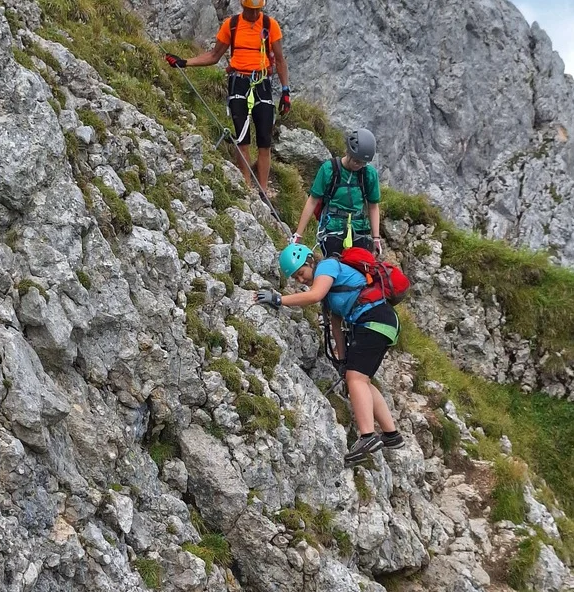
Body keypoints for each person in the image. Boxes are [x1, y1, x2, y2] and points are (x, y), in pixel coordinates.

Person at [255, 244, 404, 465]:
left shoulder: (327, 266)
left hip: (374, 321)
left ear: (309, 261)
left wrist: (278, 300)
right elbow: (335, 325)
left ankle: (367, 436)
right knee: (360, 379)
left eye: (301, 273)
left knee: (356, 379)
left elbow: (314, 295)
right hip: (378, 323)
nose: (300, 280)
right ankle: (391, 435)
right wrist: (343, 360)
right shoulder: (330, 287)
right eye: (295, 278)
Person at [164, 0, 291, 196]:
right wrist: (184, 62)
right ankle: (247, 187)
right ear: (243, 7)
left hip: (262, 83)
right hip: (238, 81)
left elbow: (280, 60)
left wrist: (285, 92)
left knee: (265, 138)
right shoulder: (231, 25)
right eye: (251, 9)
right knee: (242, 137)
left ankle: (263, 191)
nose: (254, 13)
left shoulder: (269, 25)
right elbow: (214, 55)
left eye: (257, 9)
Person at [293, 128, 382, 257]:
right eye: (357, 161)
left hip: (360, 228)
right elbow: (312, 201)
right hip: (333, 228)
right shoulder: (329, 169)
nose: (359, 165)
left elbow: (373, 206)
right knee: (334, 266)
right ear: (348, 152)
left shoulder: (369, 174)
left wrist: (376, 238)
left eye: (363, 163)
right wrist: (298, 234)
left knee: (361, 270)